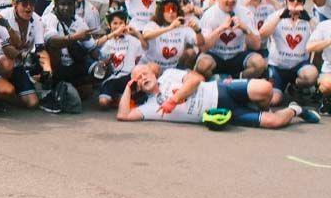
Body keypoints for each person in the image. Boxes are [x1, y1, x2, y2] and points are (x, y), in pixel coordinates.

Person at [115, 62, 319, 127]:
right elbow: (123, 115)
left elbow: (196, 80)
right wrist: (128, 87)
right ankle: (295, 109)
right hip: (223, 113)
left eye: (144, 73)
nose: (142, 78)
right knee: (273, 122)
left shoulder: (169, 75)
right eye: (138, 79)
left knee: (265, 88)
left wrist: (174, 99)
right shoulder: (150, 107)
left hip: (221, 89)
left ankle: (259, 105)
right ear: (138, 87)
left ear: (153, 72)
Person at [258, 0, 318, 106]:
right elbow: (262, 34)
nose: (295, 2)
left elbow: (320, 37)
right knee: (274, 101)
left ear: (303, 1)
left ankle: (296, 86)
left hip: (300, 65)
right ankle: (281, 87)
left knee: (312, 75)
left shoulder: (308, 18)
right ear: (286, 0)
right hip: (278, 68)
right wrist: (280, 16)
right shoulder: (276, 16)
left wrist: (309, 19)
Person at [41, 0, 102, 99]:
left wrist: (102, 61)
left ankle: (66, 88)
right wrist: (75, 37)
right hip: (54, 66)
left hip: (71, 65)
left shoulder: (79, 22)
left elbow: (92, 48)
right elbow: (52, 41)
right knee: (53, 46)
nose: (66, 8)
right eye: (62, 4)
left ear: (74, 5)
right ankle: (49, 86)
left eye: (69, 4)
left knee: (87, 91)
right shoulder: (50, 18)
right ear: (56, 5)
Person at [195, 0, 265, 80]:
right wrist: (221, 29)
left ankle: (238, 79)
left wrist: (245, 29)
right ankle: (216, 80)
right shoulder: (209, 14)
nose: (231, 0)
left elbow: (256, 45)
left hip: (237, 54)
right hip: (216, 55)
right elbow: (203, 48)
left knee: (259, 63)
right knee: (202, 65)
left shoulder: (246, 13)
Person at [0, 0, 44, 109]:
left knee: (33, 103)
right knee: (8, 63)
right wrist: (24, 56)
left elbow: (41, 49)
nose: (29, 7)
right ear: (14, 3)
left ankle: (11, 94)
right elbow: (7, 49)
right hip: (0, 62)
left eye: (32, 4)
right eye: (24, 4)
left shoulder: (37, 19)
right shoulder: (4, 16)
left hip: (19, 64)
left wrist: (47, 69)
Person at [95, 5, 146, 110]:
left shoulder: (132, 40)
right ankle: (118, 98)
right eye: (115, 23)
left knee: (139, 95)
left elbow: (144, 49)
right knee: (103, 103)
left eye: (121, 23)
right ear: (109, 25)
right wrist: (113, 34)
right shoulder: (108, 42)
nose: (118, 26)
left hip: (128, 78)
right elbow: (96, 45)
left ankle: (122, 98)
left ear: (125, 23)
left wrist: (136, 33)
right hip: (112, 78)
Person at [142, 0, 202, 70]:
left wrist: (198, 31)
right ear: (161, 11)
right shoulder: (152, 25)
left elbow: (200, 43)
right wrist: (170, 28)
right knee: (155, 68)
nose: (171, 12)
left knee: (191, 53)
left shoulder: (183, 28)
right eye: (167, 9)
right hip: (151, 66)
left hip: (172, 68)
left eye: (174, 9)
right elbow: (146, 36)